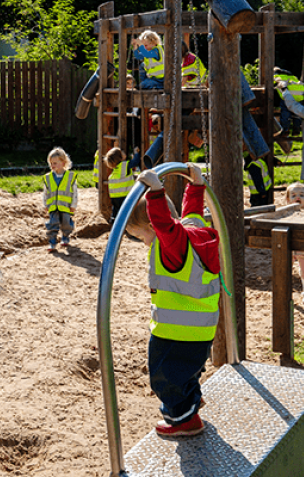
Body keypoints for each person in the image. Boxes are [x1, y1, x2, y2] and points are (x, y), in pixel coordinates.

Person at [125, 163, 220, 437]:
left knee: (164, 377)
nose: (144, 242)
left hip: (175, 332)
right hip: (201, 330)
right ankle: (191, 401)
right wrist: (196, 184)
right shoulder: (193, 230)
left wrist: (156, 192)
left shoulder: (172, 246)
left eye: (142, 235)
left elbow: (164, 226)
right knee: (187, 370)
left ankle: (184, 420)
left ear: (153, 226)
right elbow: (192, 210)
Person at [285, 183, 304, 306]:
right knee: (285, 272)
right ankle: (285, 293)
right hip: (287, 249)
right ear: (288, 200)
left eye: (301, 195)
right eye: (293, 195)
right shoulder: (285, 213)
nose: (298, 197)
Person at [43, 147, 77, 251]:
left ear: (63, 162)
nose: (52, 166)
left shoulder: (70, 177)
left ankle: (65, 237)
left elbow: (75, 193)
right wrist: (45, 205)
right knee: (52, 224)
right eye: (51, 163)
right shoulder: (48, 177)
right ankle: (52, 242)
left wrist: (73, 205)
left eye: (55, 163)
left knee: (66, 223)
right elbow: (45, 193)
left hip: (66, 206)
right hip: (53, 206)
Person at [103, 146, 134, 221]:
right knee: (126, 210)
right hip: (124, 195)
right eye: (122, 152)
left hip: (115, 196)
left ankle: (113, 219)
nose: (124, 152)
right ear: (120, 157)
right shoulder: (125, 166)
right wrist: (136, 153)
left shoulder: (116, 169)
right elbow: (135, 161)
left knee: (116, 209)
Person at [273, 68, 304, 137]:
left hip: (288, 96)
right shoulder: (293, 77)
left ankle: (285, 130)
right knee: (297, 113)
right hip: (299, 96)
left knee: (285, 113)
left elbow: (271, 84)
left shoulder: (277, 77)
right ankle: (296, 128)